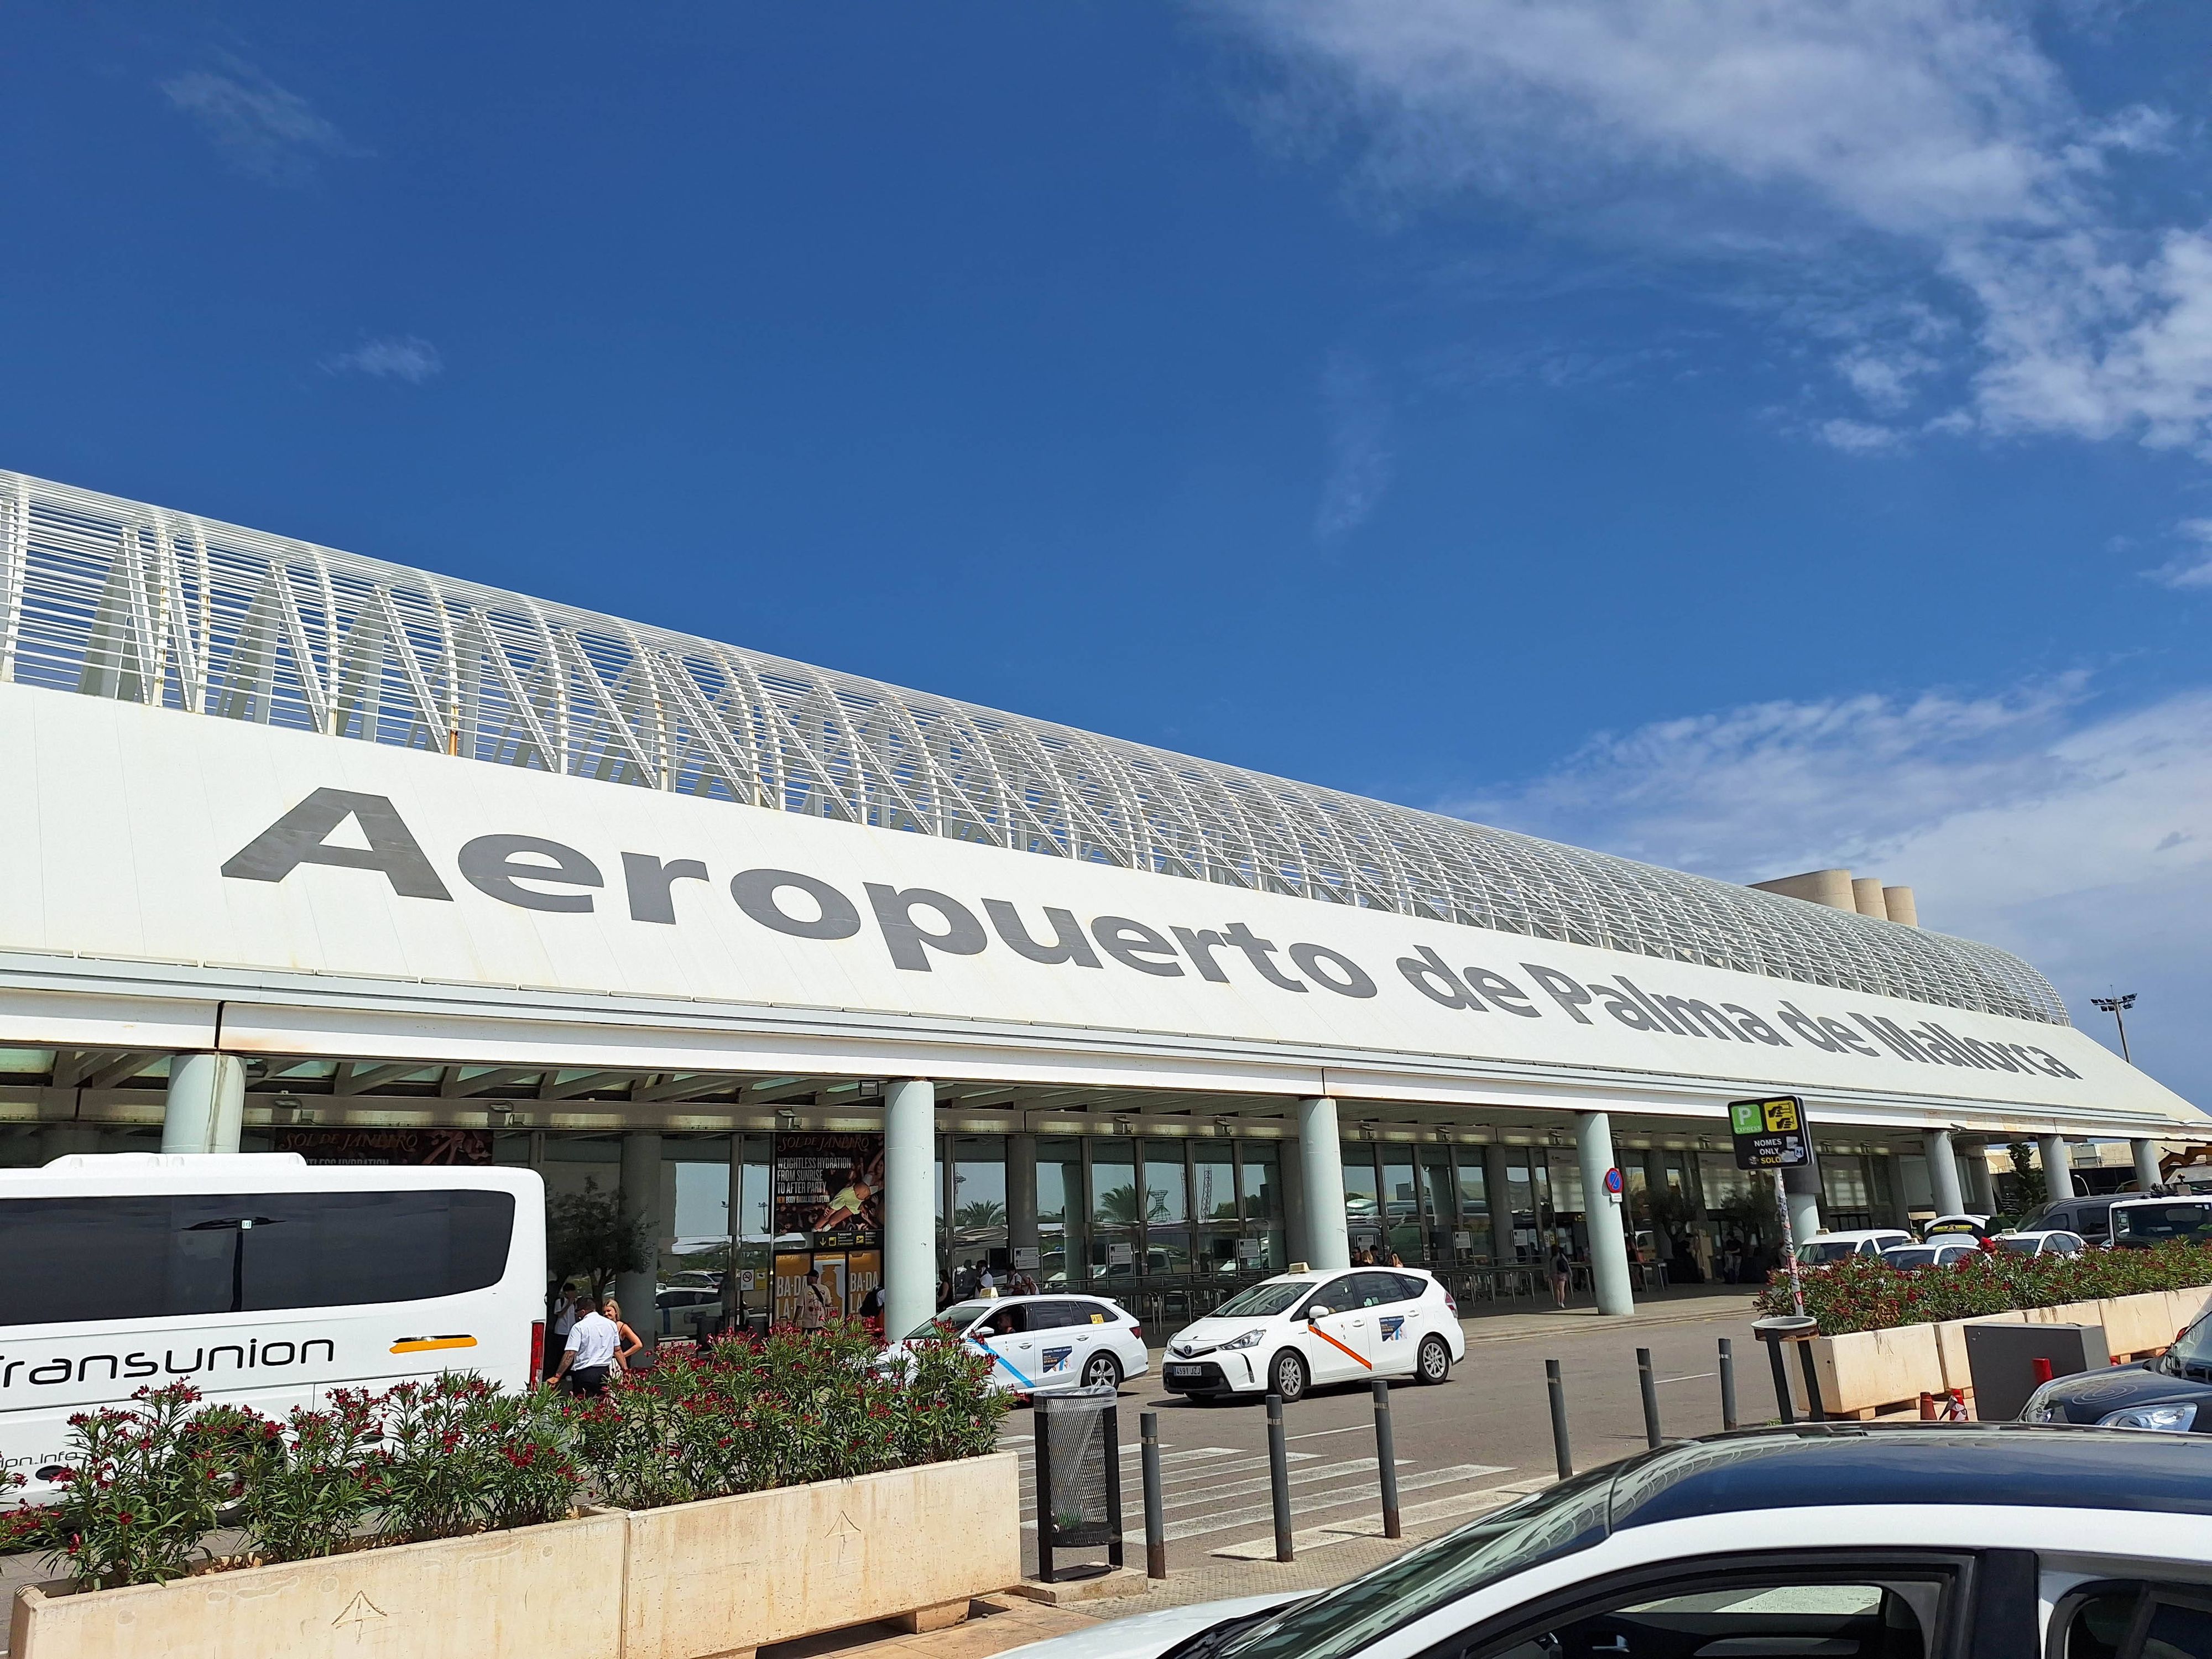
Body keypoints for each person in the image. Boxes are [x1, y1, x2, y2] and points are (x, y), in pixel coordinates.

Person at [549, 1295, 619, 1396]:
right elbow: (617, 1350)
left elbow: (570, 1353)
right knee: (602, 1407)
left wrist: (558, 1375)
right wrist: (626, 1371)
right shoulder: (611, 1325)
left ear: (582, 1312)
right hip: (604, 1373)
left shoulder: (579, 1327)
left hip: (584, 1373)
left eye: (576, 1311)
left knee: (582, 1406)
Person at [602, 1297, 645, 1370]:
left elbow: (639, 1344)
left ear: (616, 1312)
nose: (606, 1314)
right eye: (604, 1312)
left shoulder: (623, 1327)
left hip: (621, 1366)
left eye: (609, 1311)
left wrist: (622, 1356)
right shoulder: (603, 1328)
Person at [797, 1267, 831, 1333]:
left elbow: (799, 1307)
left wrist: (795, 1321)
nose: (807, 1280)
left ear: (812, 1278)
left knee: (807, 1342)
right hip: (821, 1323)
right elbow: (828, 1304)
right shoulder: (825, 1289)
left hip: (808, 1324)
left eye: (808, 1278)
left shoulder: (805, 1290)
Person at [1548, 1240, 1572, 1310]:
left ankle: (1558, 1302)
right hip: (1563, 1274)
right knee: (1562, 1289)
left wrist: (1549, 1275)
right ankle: (1562, 1302)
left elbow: (1550, 1267)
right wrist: (1570, 1273)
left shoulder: (1552, 1258)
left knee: (1557, 1289)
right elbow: (1567, 1264)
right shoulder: (1562, 1256)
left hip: (1555, 1275)